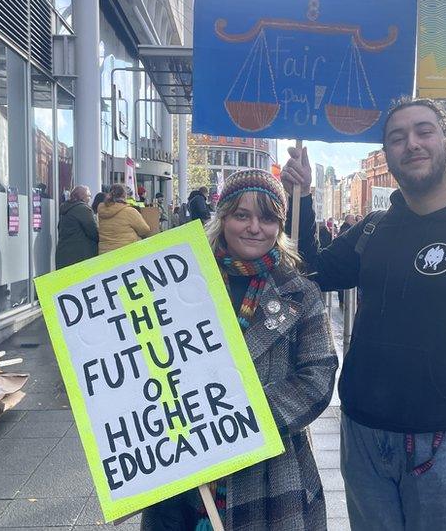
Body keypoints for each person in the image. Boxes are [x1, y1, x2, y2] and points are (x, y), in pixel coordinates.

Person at [282, 97, 446, 530]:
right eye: (397, 138)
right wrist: (302, 197)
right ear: (388, 156)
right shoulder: (372, 230)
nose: (411, 144)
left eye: (423, 131)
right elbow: (311, 271)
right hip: (365, 437)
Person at [140, 169, 337, 531]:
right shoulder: (180, 283)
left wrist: (236, 420)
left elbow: (317, 377)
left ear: (279, 225)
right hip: (184, 470)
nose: (254, 227)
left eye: (266, 217)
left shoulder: (299, 292)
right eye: (242, 215)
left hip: (268, 474)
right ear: (223, 216)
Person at [97, 183, 151, 253]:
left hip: (104, 252)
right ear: (125, 195)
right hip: (125, 252)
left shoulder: (102, 210)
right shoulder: (129, 211)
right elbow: (144, 230)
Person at [55, 185, 99, 268]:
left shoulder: (65, 208)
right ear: (82, 196)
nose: (90, 198)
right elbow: (93, 232)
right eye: (89, 195)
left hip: (64, 253)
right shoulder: (83, 209)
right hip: (80, 255)